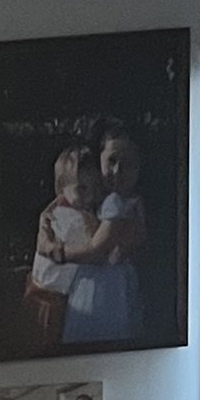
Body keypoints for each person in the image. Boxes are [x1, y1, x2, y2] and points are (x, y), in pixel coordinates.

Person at [66, 123, 148, 345]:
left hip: (105, 286)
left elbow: (97, 249)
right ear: (100, 159)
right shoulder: (107, 202)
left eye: (128, 165)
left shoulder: (116, 204)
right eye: (111, 161)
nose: (117, 172)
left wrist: (62, 253)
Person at [27, 144, 100, 354]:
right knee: (48, 343)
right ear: (62, 189)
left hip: (40, 287)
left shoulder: (56, 212)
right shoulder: (74, 220)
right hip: (51, 297)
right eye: (83, 189)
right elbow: (96, 247)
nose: (90, 196)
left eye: (94, 188)